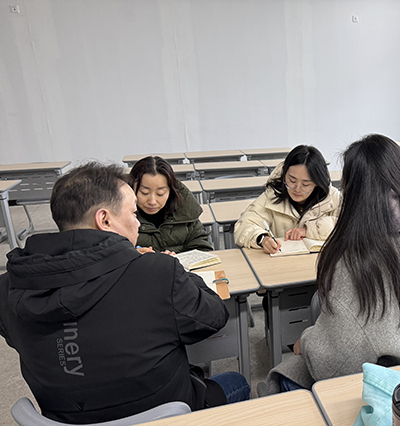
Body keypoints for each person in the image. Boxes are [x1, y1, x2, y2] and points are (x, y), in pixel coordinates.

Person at [0, 163, 249, 424]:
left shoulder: (8, 287)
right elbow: (214, 316)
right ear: (105, 219)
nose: (138, 222)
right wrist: (176, 270)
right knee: (237, 382)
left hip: (66, 419)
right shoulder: (158, 272)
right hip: (167, 415)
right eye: (133, 212)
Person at [262, 134, 400, 393]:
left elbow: (335, 361)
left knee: (287, 374)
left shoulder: (357, 261)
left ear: (353, 191)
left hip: (385, 388)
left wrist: (308, 340)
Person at [234, 145, 341, 253]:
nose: (297, 189)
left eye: (305, 184)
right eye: (292, 181)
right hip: (281, 261)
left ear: (317, 182)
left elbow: (347, 228)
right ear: (284, 174)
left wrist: (308, 230)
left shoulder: (333, 199)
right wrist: (262, 238)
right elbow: (243, 225)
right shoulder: (273, 195)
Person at [129, 156, 212, 254]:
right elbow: (114, 254)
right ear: (131, 188)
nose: (152, 201)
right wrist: (133, 256)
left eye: (160, 194)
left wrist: (174, 260)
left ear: (170, 191)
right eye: (144, 193)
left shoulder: (185, 211)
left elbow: (202, 249)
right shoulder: (119, 218)